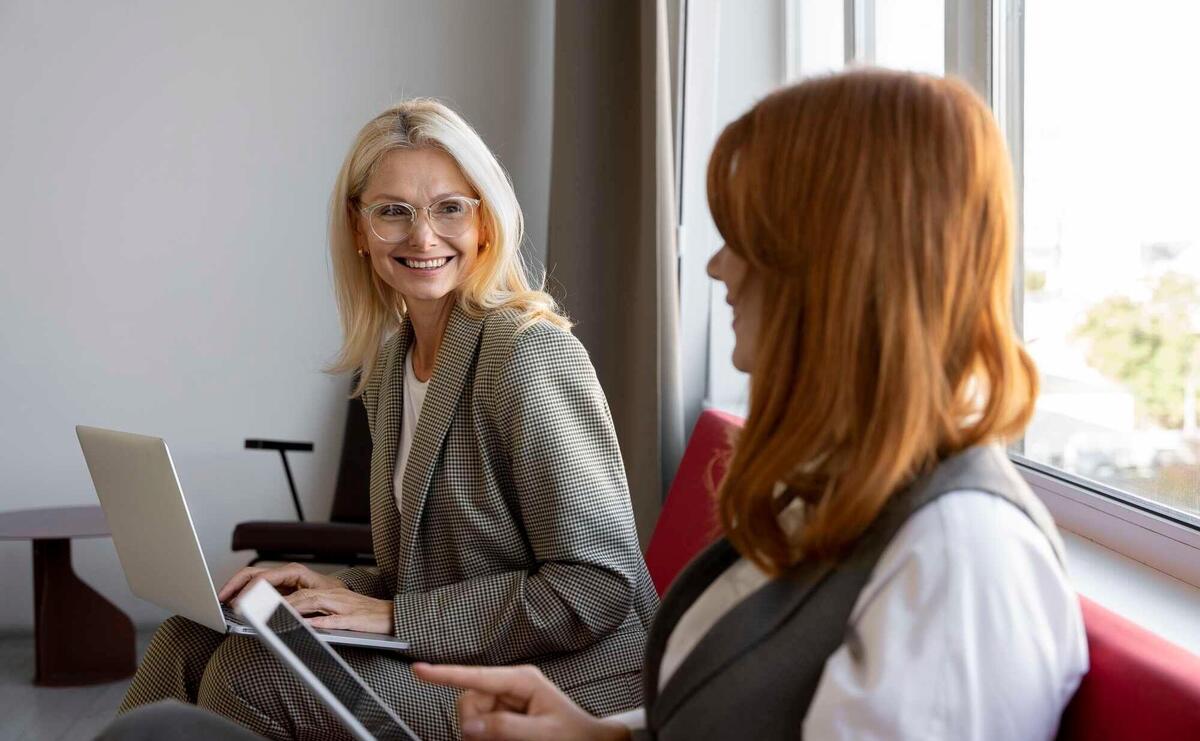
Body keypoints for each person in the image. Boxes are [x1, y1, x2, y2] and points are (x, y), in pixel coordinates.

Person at [412, 69, 1090, 740]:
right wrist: (600, 736)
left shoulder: (957, 559)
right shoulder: (845, 487)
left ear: (833, 267)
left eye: (743, 241)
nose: (717, 268)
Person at [116, 99, 658, 741]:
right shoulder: (393, 361)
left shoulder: (526, 354)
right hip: (464, 640)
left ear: (485, 221)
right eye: (393, 211)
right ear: (359, 229)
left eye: (449, 207)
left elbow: (596, 586)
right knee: (189, 636)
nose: (422, 237)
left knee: (252, 675)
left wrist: (392, 617)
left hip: (575, 668)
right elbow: (420, 572)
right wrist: (324, 588)